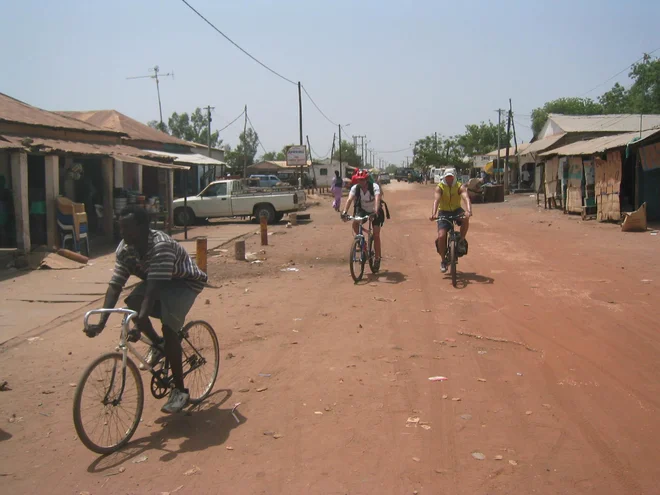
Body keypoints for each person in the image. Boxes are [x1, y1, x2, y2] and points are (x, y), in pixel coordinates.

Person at [84, 205, 208, 414]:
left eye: (127, 229)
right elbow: (116, 286)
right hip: (157, 280)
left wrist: (139, 325)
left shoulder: (161, 247)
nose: (122, 234)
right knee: (132, 302)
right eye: (120, 229)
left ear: (143, 227)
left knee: (169, 330)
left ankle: (180, 391)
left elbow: (152, 292)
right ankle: (158, 345)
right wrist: (101, 323)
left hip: (184, 282)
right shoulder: (125, 249)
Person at [429, 168, 472, 273]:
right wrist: (434, 214)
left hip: (456, 210)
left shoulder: (459, 186)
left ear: (454, 177)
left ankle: (461, 240)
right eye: (447, 177)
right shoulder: (440, 187)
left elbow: (466, 198)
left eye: (451, 177)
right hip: (443, 211)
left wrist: (469, 211)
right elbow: (436, 200)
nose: (449, 179)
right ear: (444, 177)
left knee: (466, 218)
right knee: (441, 236)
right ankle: (443, 260)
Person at [341, 169, 384, 269]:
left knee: (376, 234)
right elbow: (349, 199)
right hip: (363, 210)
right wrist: (344, 212)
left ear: (367, 179)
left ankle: (377, 258)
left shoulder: (374, 187)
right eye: (359, 180)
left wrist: (375, 211)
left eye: (363, 180)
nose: (361, 182)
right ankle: (362, 243)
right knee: (355, 224)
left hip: (375, 210)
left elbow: (377, 199)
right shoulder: (355, 188)